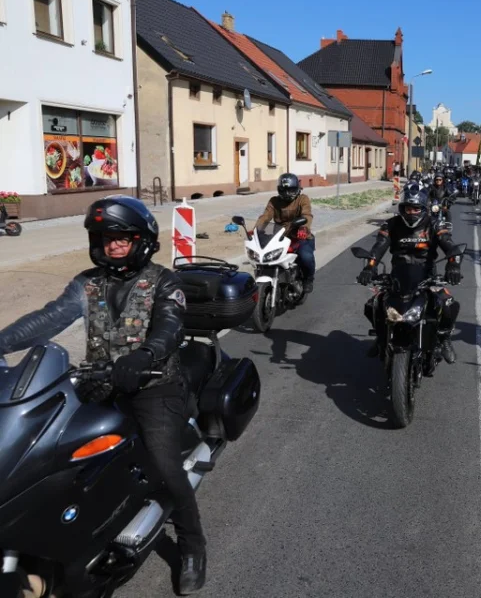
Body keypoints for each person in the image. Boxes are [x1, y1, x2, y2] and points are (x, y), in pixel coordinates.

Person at [0, 196, 207, 594]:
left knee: (166, 466)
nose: (114, 245)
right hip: (100, 382)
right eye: (107, 238)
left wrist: (146, 354)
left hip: (155, 385)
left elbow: (170, 326)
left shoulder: (164, 281)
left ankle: (194, 545)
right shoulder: (87, 283)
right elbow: (48, 318)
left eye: (123, 238)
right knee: (52, 454)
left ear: (141, 240)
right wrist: (3, 340)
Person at [357, 185, 463, 363]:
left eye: (416, 208)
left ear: (423, 209)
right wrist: (369, 267)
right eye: (408, 208)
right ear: (402, 208)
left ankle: (444, 339)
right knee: (373, 305)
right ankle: (381, 338)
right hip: (399, 276)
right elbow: (378, 248)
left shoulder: (435, 224)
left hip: (427, 276)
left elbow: (449, 245)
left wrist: (453, 266)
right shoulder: (391, 224)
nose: (412, 212)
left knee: (448, 304)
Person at [254, 173, 316, 294]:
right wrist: (256, 230)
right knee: (265, 257)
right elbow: (265, 217)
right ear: (279, 189)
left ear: (297, 188)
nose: (287, 193)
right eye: (284, 190)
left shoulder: (303, 199)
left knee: (305, 256)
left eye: (291, 190)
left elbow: (306, 215)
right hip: (280, 236)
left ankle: (308, 279)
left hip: (299, 236)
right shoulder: (274, 201)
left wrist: (303, 228)